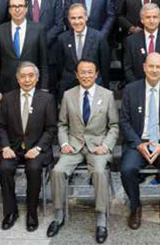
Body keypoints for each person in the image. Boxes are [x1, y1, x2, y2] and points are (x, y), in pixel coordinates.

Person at [46, 59, 119, 241]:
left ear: (96, 74)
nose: (86, 76)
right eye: (82, 72)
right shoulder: (68, 95)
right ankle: (58, 214)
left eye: (89, 72)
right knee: (57, 171)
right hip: (74, 145)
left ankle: (101, 218)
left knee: (100, 172)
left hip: (98, 146)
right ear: (77, 75)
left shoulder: (107, 95)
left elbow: (114, 126)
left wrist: (106, 145)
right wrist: (64, 144)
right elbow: (62, 124)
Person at [120, 53, 160, 230]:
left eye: (158, 67)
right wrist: (139, 144)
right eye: (151, 66)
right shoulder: (131, 89)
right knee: (127, 169)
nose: (154, 70)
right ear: (144, 67)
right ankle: (135, 206)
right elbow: (124, 121)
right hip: (139, 141)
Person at [0, 62, 57, 232]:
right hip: (13, 148)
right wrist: (5, 147)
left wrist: (38, 148)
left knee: (34, 168)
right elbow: (0, 126)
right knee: (4, 168)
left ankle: (32, 212)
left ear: (37, 79)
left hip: (37, 149)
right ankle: (10, 212)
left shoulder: (47, 99)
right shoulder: (8, 98)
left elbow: (51, 128)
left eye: (31, 76)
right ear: (17, 79)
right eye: (23, 76)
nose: (27, 79)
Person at [0, 0, 49, 95]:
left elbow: (43, 62)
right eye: (13, 6)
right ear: (9, 10)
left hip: (32, 84)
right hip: (6, 86)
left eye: (20, 6)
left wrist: (44, 88)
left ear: (26, 9)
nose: (17, 10)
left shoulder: (38, 29)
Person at [56, 4, 110, 97]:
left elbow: (104, 66)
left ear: (86, 17)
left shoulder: (99, 37)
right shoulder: (62, 39)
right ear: (68, 19)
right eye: (73, 18)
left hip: (94, 87)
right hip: (69, 88)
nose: (77, 22)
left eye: (80, 17)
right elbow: (60, 66)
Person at [123, 4, 160, 83]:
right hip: (138, 89)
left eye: (155, 17)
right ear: (142, 20)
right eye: (148, 17)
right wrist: (137, 87)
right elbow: (128, 68)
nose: (152, 21)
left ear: (159, 19)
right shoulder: (131, 41)